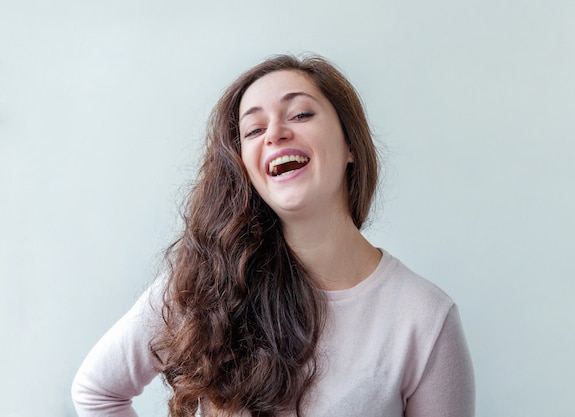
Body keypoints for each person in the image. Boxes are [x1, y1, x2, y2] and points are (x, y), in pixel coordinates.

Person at [72, 54, 475, 417]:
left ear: (350, 144)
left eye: (300, 114)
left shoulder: (424, 319)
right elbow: (97, 392)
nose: (275, 133)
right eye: (253, 129)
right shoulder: (204, 285)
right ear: (245, 169)